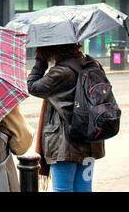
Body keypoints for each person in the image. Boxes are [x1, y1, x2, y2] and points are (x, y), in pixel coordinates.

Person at [27, 44, 105, 192]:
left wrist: (40, 61)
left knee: (63, 189)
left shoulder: (61, 72)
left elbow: (32, 86)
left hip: (65, 145)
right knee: (84, 188)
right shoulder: (93, 64)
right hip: (90, 139)